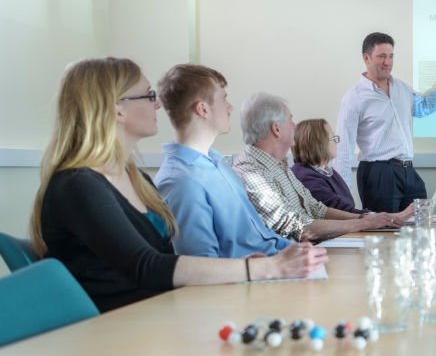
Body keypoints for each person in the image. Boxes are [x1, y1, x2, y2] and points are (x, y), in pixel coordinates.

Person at [29, 58, 326, 312]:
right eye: (147, 96)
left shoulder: (136, 178)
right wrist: (266, 269)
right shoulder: (78, 185)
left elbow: (166, 256)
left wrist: (244, 266)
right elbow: (146, 266)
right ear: (117, 109)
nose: (158, 103)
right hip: (119, 332)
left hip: (161, 314)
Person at [154, 63, 293, 258]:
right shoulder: (181, 182)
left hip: (272, 268)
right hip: (250, 281)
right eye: (223, 99)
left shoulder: (220, 165)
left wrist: (294, 250)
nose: (230, 107)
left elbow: (263, 238)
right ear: (203, 109)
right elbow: (202, 266)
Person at [232, 93, 399, 241]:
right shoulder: (251, 171)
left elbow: (316, 208)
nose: (295, 126)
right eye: (290, 119)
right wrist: (363, 223)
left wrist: (364, 218)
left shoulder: (278, 163)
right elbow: (299, 228)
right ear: (276, 129)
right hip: (287, 260)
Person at [334, 32, 436, 212]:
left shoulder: (401, 88)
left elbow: (422, 107)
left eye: (390, 56)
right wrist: (342, 194)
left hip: (408, 170)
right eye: (381, 56)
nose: (387, 62)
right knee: (384, 232)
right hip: (378, 174)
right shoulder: (354, 98)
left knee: (419, 225)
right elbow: (343, 148)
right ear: (366, 58)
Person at [291, 118, 370, 214]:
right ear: (318, 144)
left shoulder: (328, 171)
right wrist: (374, 217)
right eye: (333, 138)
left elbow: (347, 207)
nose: (336, 142)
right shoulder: (306, 177)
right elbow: (339, 211)